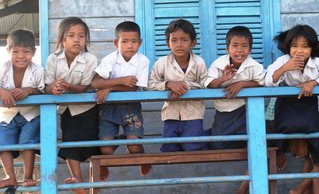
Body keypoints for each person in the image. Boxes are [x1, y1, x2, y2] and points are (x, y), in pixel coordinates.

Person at [265, 24, 319, 194]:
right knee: (281, 139)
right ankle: (282, 150)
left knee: (316, 150)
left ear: (312, 48)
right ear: (288, 47)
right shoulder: (282, 61)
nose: (299, 51)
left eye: (305, 46)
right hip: (288, 108)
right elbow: (268, 81)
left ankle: (303, 189)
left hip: (310, 110)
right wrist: (284, 68)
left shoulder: (318, 63)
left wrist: (314, 82)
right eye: (295, 46)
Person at [45, 17, 99, 194]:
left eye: (81, 36)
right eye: (71, 35)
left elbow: (84, 86)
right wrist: (54, 88)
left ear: (86, 40)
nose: (77, 40)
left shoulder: (90, 59)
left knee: (91, 147)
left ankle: (94, 188)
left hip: (87, 110)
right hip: (66, 111)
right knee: (69, 145)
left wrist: (67, 86)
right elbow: (47, 85)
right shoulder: (53, 59)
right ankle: (79, 185)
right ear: (62, 39)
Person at [91, 21, 151, 177]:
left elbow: (133, 87)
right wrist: (120, 81)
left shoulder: (142, 61)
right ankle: (127, 138)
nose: (130, 46)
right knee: (106, 149)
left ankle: (141, 153)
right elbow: (96, 83)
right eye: (124, 41)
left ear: (140, 43)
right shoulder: (110, 59)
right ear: (116, 43)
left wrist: (109, 87)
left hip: (130, 108)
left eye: (134, 41)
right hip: (108, 108)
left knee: (133, 147)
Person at [148, 19, 208, 152]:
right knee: (169, 149)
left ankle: (208, 136)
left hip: (194, 114)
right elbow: (150, 84)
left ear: (193, 43)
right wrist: (168, 84)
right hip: (171, 114)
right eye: (174, 40)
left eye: (184, 40)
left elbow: (206, 84)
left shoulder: (199, 63)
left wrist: (185, 85)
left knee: (193, 148)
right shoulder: (162, 63)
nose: (179, 44)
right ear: (168, 44)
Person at [205, 25, 265, 149]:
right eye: (235, 45)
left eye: (244, 46)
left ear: (250, 50)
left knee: (251, 143)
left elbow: (262, 82)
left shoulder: (255, 66)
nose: (240, 50)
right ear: (227, 48)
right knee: (218, 145)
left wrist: (242, 83)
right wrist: (222, 79)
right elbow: (209, 84)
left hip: (245, 111)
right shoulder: (218, 64)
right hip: (223, 112)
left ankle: (251, 168)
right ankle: (207, 135)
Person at [0, 30, 44, 189]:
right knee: (2, 142)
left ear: (34, 52)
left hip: (30, 115)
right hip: (7, 115)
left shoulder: (38, 70)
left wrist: (29, 90)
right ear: (8, 51)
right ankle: (10, 177)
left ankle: (27, 177)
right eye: (15, 51)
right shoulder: (3, 69)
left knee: (28, 142)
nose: (21, 56)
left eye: (26, 52)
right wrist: (2, 91)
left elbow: (43, 90)